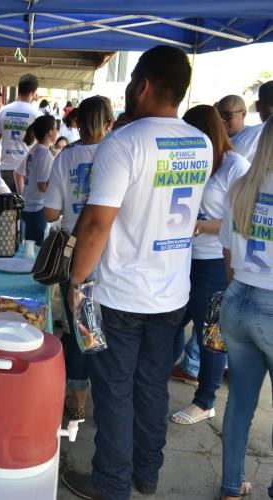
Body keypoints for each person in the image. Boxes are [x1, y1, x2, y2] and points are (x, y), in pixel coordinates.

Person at [61, 45, 213, 500]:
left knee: (114, 391)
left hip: (120, 295)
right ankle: (147, 474)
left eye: (131, 82)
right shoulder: (201, 143)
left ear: (142, 85)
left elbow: (95, 225)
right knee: (151, 388)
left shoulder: (124, 143)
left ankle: (111, 484)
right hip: (171, 293)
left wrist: (75, 283)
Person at [169, 105, 250, 426]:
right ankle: (156, 377)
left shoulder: (235, 167)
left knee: (211, 335)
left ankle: (205, 401)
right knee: (171, 323)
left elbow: (241, 219)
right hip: (181, 258)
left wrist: (201, 226)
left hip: (214, 262)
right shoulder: (194, 159)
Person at [44, 95, 114, 422]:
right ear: (110, 121)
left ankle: (77, 398)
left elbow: (50, 213)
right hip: (114, 252)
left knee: (79, 328)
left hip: (75, 251)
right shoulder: (119, 152)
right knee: (111, 327)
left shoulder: (65, 157)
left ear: (78, 121)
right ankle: (109, 395)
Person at [218, 117, 273, 500]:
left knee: (239, 403)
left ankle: (231, 486)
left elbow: (228, 253)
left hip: (237, 296)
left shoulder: (241, 186)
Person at [0, 74, 41, 192]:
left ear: (19, 89)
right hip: (27, 169)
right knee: (25, 202)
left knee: (6, 202)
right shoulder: (37, 114)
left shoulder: (2, 111)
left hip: (6, 167)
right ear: (33, 92)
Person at [14, 115, 57, 245]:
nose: (57, 132)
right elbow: (42, 186)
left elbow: (17, 172)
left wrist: (23, 194)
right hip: (37, 209)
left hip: (28, 206)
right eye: (56, 128)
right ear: (50, 132)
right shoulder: (44, 154)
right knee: (34, 249)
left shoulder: (34, 149)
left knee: (27, 247)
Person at [217, 94, 262, 162]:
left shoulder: (251, 138)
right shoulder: (216, 138)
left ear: (243, 114)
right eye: (218, 115)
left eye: (227, 115)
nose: (221, 119)